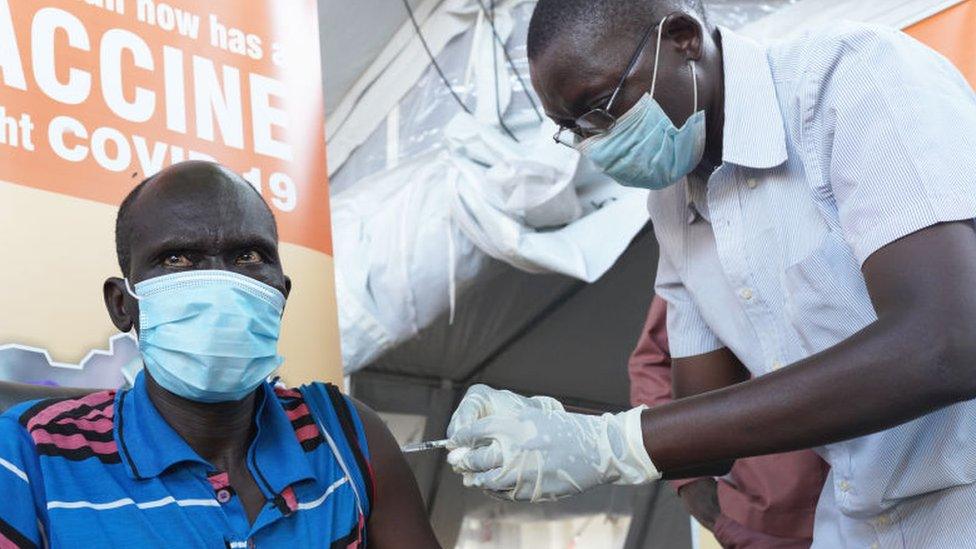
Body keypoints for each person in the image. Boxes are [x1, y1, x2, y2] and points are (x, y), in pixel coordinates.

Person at [446, 0, 976, 546]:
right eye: (572, 130)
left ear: (683, 39)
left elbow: (946, 340)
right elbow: (709, 437)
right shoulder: (675, 204)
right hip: (863, 522)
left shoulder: (846, 79)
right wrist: (559, 431)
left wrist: (612, 443)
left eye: (600, 108)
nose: (595, 144)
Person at [0, 161, 440, 548]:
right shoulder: (29, 454)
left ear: (280, 295)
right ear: (122, 304)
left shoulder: (345, 435)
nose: (219, 284)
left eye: (248, 255)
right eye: (176, 259)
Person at [631, 295, 828, 548]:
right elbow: (654, 362)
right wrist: (691, 481)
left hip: (880, 505)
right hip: (760, 521)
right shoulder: (698, 258)